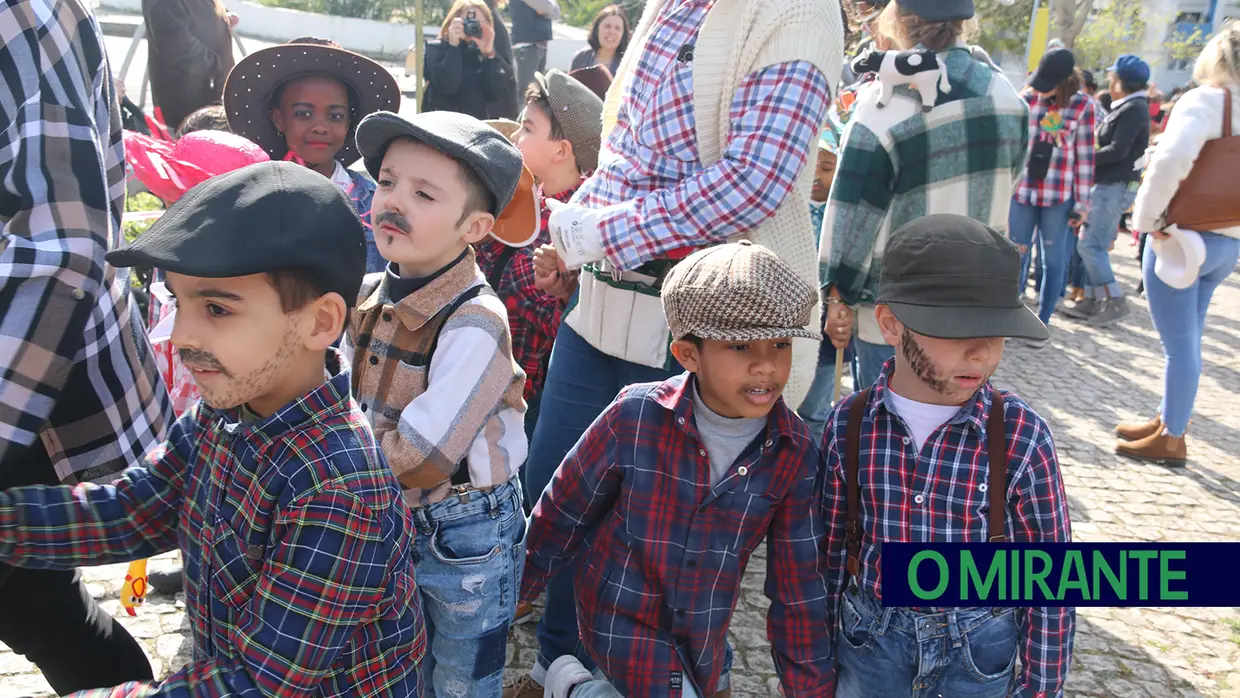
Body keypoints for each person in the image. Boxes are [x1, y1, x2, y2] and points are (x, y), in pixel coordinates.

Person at [503, 0, 842, 694]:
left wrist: (599, 234)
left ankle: (626, 677)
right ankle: (555, 664)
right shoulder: (671, 5)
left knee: (659, 537)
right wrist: (573, 232)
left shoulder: (797, 12)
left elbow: (752, 184)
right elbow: (627, 149)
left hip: (702, 324)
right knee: (560, 492)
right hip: (600, 306)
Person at [0, 161, 426, 696]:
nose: (180, 336)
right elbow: (132, 510)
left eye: (217, 309)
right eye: (180, 303)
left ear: (320, 322)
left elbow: (254, 683)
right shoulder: (221, 414)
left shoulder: (338, 490)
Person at [522, 241, 833, 698]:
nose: (766, 364)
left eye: (781, 343)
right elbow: (562, 510)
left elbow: (799, 584)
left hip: (704, 633)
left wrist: (811, 689)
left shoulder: (796, 451)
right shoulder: (634, 415)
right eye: (741, 345)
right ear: (688, 355)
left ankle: (572, 687)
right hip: (618, 617)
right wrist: (513, 591)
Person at [822, 214, 1073, 698]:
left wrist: (1041, 689)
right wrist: (813, 664)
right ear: (892, 323)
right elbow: (830, 557)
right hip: (870, 648)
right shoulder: (848, 425)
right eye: (959, 332)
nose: (981, 354)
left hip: (979, 656)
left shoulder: (1022, 436)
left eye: (997, 332)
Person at [0, 0, 173, 691]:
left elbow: (64, 248)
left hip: (25, 377)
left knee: (41, 607)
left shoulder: (25, 15)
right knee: (36, 606)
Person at [350, 110, 528, 698]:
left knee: (460, 676)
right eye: (388, 181)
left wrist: (335, 464)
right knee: (395, 660)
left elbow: (426, 455)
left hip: (463, 530)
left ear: (474, 226)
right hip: (390, 507)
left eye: (423, 193)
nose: (394, 200)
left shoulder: (476, 322)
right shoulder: (374, 294)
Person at [821, 0, 1029, 384]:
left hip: (899, 311)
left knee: (889, 432)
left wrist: (839, 292)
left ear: (896, 19)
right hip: (978, 301)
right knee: (958, 431)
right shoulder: (1007, 96)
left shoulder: (886, 102)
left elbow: (854, 217)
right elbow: (1010, 179)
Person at [1118, 24, 1240, 465]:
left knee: (1180, 345)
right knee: (1189, 338)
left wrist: (1145, 221)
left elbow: (1170, 161)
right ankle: (1168, 418)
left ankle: (1172, 436)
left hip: (1180, 238)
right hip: (1225, 241)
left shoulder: (1208, 100)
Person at [224, 37, 401, 273]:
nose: (320, 127)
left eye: (335, 116)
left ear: (350, 122)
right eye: (303, 114)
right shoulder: (248, 198)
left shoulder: (375, 203)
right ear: (278, 118)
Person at [501, 70, 603, 447]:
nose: (516, 136)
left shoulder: (584, 224)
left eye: (527, 128)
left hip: (534, 401)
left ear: (561, 150)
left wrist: (563, 294)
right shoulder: (520, 197)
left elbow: (577, 332)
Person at [1007, 48, 1095, 339]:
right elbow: (1014, 147)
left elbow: (1085, 157)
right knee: (1014, 255)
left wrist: (1082, 203)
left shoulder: (1083, 106)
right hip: (1023, 192)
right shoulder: (1027, 98)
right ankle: (1008, 317)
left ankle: (1042, 322)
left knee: (1053, 261)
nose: (1043, 90)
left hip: (1058, 195)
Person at [1062, 54, 1151, 327]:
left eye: (1113, 78)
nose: (1109, 82)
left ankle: (1115, 301)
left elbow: (1118, 150)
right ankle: (1091, 298)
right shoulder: (1127, 107)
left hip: (1112, 186)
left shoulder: (1133, 109)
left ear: (1121, 83)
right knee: (1089, 244)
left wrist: (1082, 156)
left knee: (1091, 245)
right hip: (1106, 185)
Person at [798, 120, 855, 442]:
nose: (817, 176)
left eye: (827, 167)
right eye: (811, 166)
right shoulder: (791, 210)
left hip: (826, 326)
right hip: (792, 318)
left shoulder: (844, 215)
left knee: (816, 409)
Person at [141, 0, 235, 133]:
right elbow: (177, 45)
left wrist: (223, 18)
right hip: (181, 109)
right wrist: (217, 66)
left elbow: (199, 11)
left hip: (210, 104)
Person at [422, 0, 519, 120]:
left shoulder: (490, 56)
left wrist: (488, 54)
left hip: (479, 126)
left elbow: (497, 93)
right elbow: (449, 87)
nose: (472, 27)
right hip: (446, 124)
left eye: (477, 23)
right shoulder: (436, 50)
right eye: (466, 23)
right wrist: (453, 47)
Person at [511, 0, 560, 104]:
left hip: (539, 46)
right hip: (526, 47)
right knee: (526, 92)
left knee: (537, 91)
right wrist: (548, 10)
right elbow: (547, 7)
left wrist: (548, 9)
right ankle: (522, 119)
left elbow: (556, 12)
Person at [569, 5, 630, 75]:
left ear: (623, 34)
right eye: (607, 26)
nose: (612, 31)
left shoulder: (628, 64)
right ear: (597, 29)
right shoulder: (581, 58)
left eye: (617, 28)